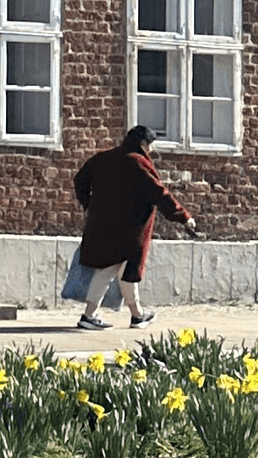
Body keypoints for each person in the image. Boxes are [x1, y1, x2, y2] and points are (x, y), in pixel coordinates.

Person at [71, 124, 198, 330]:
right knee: (112, 269)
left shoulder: (103, 158)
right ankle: (89, 315)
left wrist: (89, 204)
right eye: (151, 145)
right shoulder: (136, 163)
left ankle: (137, 315)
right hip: (129, 229)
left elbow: (80, 180)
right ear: (143, 144)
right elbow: (159, 193)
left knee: (124, 271)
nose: (152, 150)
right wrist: (184, 217)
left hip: (102, 224)